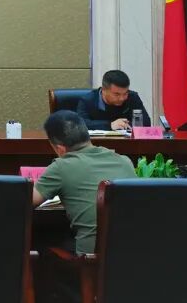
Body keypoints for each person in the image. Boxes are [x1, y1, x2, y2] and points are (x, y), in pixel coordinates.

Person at [32, 110, 137, 254]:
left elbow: (28, 201)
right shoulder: (124, 161)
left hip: (91, 256)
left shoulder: (61, 166)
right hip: (132, 250)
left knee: (40, 238)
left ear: (60, 149)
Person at [75, 69, 149, 130]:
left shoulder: (132, 97)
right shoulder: (88, 100)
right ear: (104, 90)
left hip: (127, 142)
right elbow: (80, 124)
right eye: (117, 94)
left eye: (125, 93)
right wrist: (110, 125)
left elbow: (146, 123)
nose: (122, 98)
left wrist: (124, 124)